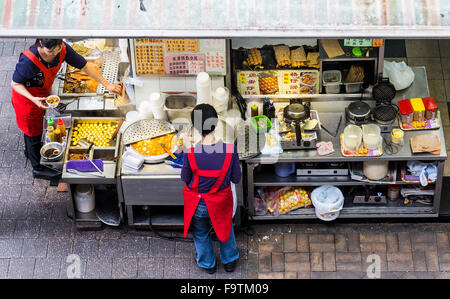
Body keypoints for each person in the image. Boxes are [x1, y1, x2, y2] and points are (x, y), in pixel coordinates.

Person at [10, 38, 122, 180]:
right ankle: (37, 168)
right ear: (40, 44)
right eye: (50, 51)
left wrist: (107, 85)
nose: (54, 54)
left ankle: (29, 151)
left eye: (57, 49)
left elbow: (85, 66)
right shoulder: (28, 61)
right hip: (27, 101)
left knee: (35, 130)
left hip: (41, 96)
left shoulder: (62, 49)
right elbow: (15, 83)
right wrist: (33, 99)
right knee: (32, 131)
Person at [181, 104, 241, 274]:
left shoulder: (191, 152)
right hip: (221, 202)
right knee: (225, 229)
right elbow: (236, 178)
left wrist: (186, 149)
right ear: (216, 123)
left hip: (199, 204)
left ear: (195, 127)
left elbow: (185, 178)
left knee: (201, 233)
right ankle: (229, 261)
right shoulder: (230, 150)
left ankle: (208, 264)